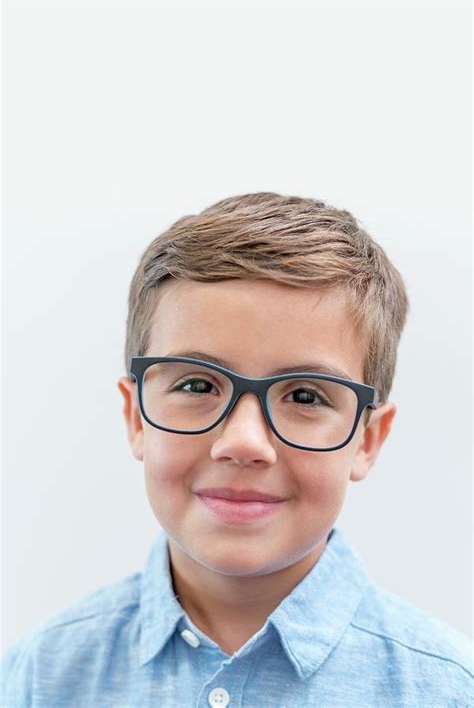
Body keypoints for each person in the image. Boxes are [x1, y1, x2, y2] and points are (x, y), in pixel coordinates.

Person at [2, 193, 472, 707]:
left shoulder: (447, 689)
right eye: (197, 386)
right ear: (136, 417)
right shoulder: (37, 678)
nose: (244, 442)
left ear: (367, 439)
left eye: (306, 396)